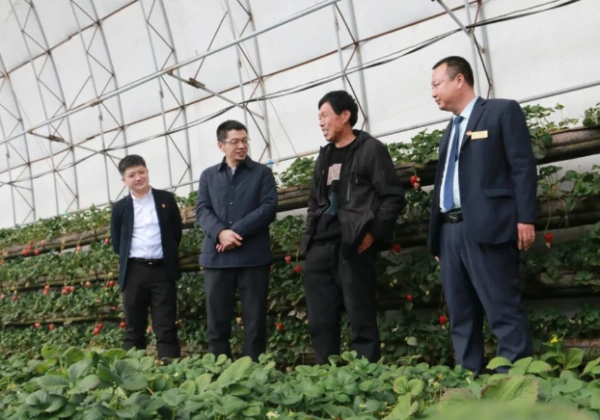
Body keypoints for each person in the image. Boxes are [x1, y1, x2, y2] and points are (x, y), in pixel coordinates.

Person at [428, 56, 536, 375]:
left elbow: (522, 167)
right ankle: (469, 380)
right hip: (450, 232)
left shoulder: (501, 111)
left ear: (459, 80)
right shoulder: (450, 130)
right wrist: (438, 238)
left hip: (489, 227)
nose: (433, 92)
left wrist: (525, 218)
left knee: (503, 309)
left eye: (437, 84)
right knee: (461, 315)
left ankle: (514, 382)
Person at [300, 90, 406, 364]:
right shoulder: (324, 156)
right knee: (321, 321)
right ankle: (326, 375)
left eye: (325, 115)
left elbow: (392, 196)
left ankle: (367, 375)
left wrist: (373, 233)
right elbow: (314, 201)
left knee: (361, 318)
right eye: (319, 117)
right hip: (320, 247)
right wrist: (310, 237)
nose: (320, 122)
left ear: (345, 115)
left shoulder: (370, 149)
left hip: (353, 246)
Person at [196, 119, 278, 362]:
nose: (241, 146)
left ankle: (253, 371)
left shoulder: (262, 173)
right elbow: (202, 210)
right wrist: (220, 233)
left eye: (244, 140)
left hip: (253, 258)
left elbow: (268, 208)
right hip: (217, 258)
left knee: (255, 322)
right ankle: (220, 371)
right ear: (221, 145)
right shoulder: (208, 176)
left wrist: (233, 233)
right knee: (217, 323)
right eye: (235, 142)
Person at [110, 154, 182, 362]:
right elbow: (118, 242)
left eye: (141, 172)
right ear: (124, 180)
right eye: (132, 175)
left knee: (166, 324)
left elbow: (175, 233)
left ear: (147, 172)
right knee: (134, 327)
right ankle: (134, 370)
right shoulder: (120, 208)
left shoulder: (165, 200)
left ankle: (171, 370)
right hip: (134, 271)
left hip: (162, 270)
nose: (138, 178)